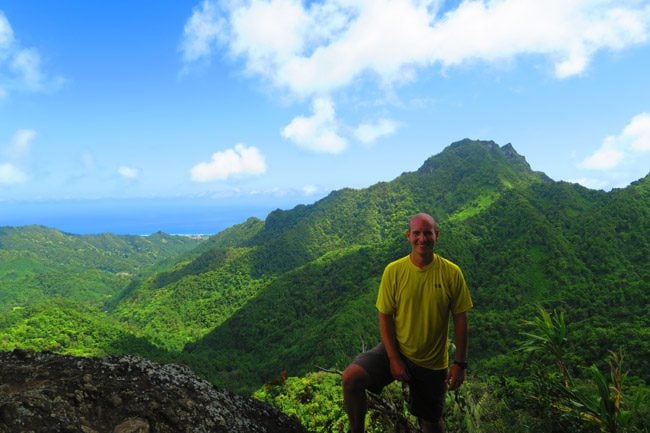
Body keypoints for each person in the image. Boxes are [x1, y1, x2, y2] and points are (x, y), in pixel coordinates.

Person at [342, 213, 473, 433]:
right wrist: (393, 358)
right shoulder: (394, 271)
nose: (422, 238)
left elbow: (461, 318)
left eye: (427, 233)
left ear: (436, 235)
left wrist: (460, 364)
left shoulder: (451, 273)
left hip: (431, 361)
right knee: (351, 379)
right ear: (408, 236)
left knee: (431, 421)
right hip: (397, 348)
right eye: (417, 233)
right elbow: (384, 316)